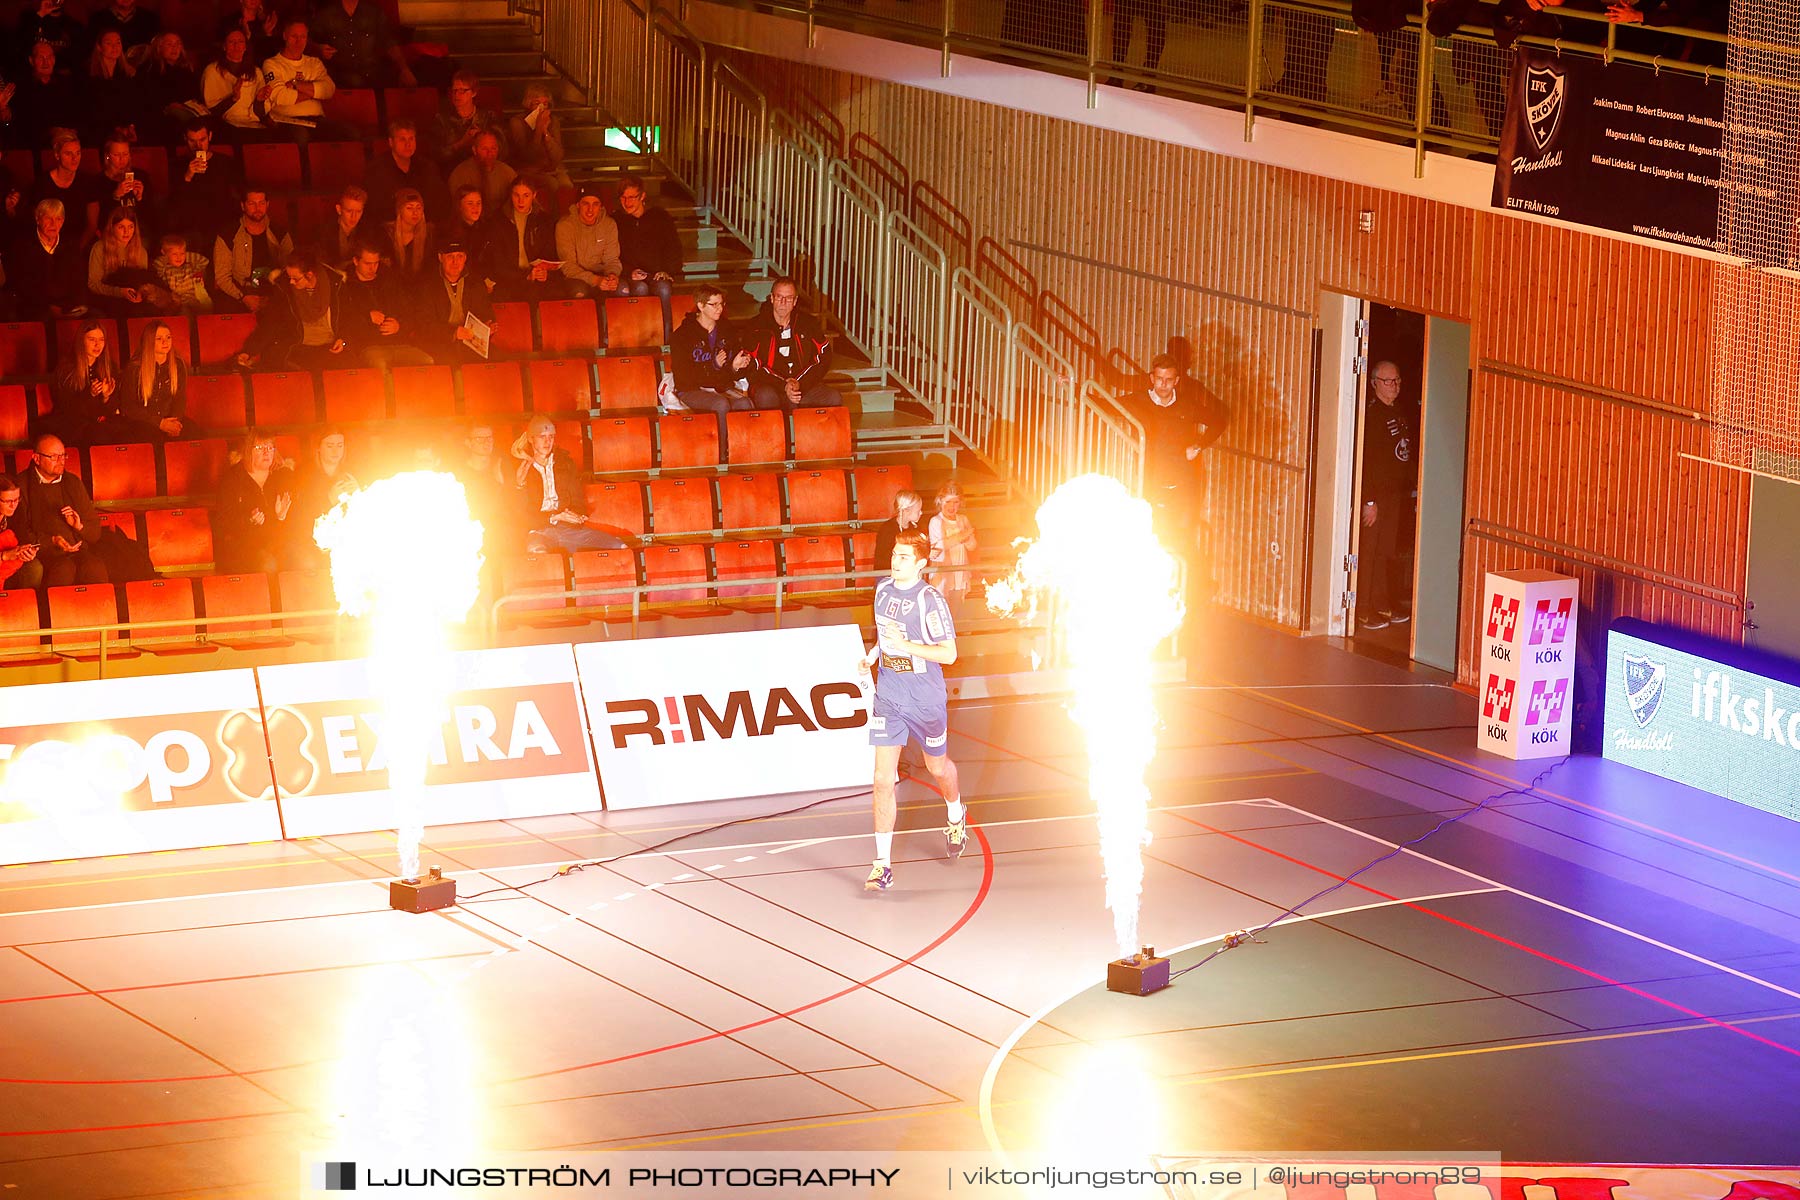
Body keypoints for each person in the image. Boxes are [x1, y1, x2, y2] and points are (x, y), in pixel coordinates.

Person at [857, 530, 965, 892]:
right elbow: (882, 634)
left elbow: (948, 654)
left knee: (937, 767)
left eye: (904, 556)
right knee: (881, 780)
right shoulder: (883, 590)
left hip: (925, 698)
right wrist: (873, 655)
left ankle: (955, 813)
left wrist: (910, 646)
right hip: (889, 694)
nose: (895, 560)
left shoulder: (930, 600)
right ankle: (882, 865)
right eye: (894, 553)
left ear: (920, 563)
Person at [1124, 352, 1228, 562]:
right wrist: (1073, 385)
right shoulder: (1139, 401)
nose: (1163, 385)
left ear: (1176, 381)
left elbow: (1219, 420)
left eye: (1169, 380)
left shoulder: (1187, 405)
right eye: (1159, 379)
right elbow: (1104, 402)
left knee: (1181, 540)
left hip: (1182, 486)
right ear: (1152, 378)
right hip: (1151, 484)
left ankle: (1181, 589)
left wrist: (1199, 445)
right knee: (1151, 537)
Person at [1357, 359, 1417, 631]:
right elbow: (1368, 460)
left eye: (1397, 381)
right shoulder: (1373, 415)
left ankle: (1381, 602)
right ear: (1374, 384)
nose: (1394, 386)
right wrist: (1369, 501)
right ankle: (1363, 608)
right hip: (1376, 497)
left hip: (1394, 495)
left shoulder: (1399, 412)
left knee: (1385, 552)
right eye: (1388, 381)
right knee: (1369, 552)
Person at [510, 415, 625, 555]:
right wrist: (519, 485)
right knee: (537, 552)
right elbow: (519, 514)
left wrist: (577, 515)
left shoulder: (565, 463)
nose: (548, 442)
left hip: (569, 529)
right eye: (542, 437)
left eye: (551, 437)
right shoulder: (520, 468)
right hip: (539, 531)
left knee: (619, 546)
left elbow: (578, 500)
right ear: (530, 439)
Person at [234, 249, 348, 370]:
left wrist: (344, 339)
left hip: (331, 347)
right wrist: (249, 351)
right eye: (289, 277)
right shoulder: (284, 289)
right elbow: (271, 322)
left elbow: (349, 316)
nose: (291, 282)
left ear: (309, 275)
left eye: (295, 278)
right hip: (298, 347)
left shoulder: (335, 285)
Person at [17, 434, 107, 586]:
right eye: (53, 457)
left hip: (77, 549)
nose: (60, 461)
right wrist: (52, 541)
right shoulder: (22, 485)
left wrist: (79, 526)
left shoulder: (73, 482)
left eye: (63, 455)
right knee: (64, 570)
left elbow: (95, 532)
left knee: (94, 568)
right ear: (36, 458)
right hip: (43, 552)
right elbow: (21, 533)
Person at [670, 284, 754, 443]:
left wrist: (735, 366)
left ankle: (742, 450)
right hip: (690, 390)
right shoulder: (682, 335)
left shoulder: (727, 329)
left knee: (744, 402)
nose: (719, 309)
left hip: (720, 386)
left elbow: (731, 373)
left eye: (721, 303)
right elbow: (683, 377)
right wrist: (713, 365)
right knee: (721, 404)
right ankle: (721, 454)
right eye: (714, 304)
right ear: (700, 306)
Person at [742, 277, 838, 410]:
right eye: (779, 297)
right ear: (771, 298)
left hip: (801, 385)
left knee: (833, 397)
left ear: (795, 301)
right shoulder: (756, 326)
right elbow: (751, 366)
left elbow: (824, 356)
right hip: (769, 386)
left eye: (788, 298)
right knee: (767, 396)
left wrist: (799, 384)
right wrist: (784, 385)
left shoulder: (807, 324)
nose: (783, 302)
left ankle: (808, 431)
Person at [213, 428, 296, 574]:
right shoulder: (232, 480)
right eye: (260, 448)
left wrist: (280, 517)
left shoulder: (283, 477)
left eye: (270, 447)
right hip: (244, 545)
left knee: (301, 561)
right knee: (268, 565)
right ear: (248, 450)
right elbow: (223, 522)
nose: (266, 452)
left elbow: (297, 521)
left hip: (277, 542)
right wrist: (249, 520)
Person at [338, 242, 433, 366]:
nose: (373, 268)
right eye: (367, 264)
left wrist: (399, 326)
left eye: (376, 263)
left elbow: (410, 312)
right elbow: (344, 321)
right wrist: (368, 317)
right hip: (369, 346)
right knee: (380, 365)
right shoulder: (346, 285)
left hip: (400, 344)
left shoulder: (390, 281)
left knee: (427, 362)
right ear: (356, 261)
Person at [166, 121, 246, 248]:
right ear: (185, 139)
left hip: (220, 220)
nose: (198, 145)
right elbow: (174, 200)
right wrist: (187, 175)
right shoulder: (178, 164)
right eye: (192, 141)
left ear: (210, 136)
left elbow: (238, 193)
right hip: (191, 222)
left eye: (202, 139)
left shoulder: (225, 162)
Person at [415, 240, 498, 361]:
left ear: (465, 258)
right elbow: (424, 324)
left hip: (471, 343)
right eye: (450, 257)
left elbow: (486, 313)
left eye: (459, 256)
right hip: (440, 343)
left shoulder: (475, 283)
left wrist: (486, 329)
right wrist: (453, 333)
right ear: (440, 257)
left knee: (498, 359)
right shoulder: (427, 285)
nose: (455, 262)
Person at [212, 188, 292, 313]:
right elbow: (222, 277)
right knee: (224, 308)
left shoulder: (279, 232)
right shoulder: (228, 235)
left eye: (261, 203)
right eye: (252, 203)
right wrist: (243, 297)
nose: (257, 208)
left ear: (267, 205)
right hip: (241, 291)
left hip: (273, 291)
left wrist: (273, 295)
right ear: (243, 206)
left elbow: (291, 265)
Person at [8, 198, 89, 320]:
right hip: (35, 307)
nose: (53, 224)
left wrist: (76, 305)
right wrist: (48, 307)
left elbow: (78, 281)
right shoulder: (23, 246)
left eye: (58, 219)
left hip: (65, 306)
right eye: (48, 218)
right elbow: (21, 286)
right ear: (37, 219)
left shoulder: (71, 246)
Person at [287, 426, 358, 564]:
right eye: (330, 446)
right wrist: (328, 500)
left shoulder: (351, 472)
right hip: (310, 540)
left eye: (340, 445)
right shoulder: (304, 475)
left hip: (344, 536)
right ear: (318, 447)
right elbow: (300, 518)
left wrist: (359, 493)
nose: (336, 451)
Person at [309, 0, 416, 89]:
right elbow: (308, 40)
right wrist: (319, 49)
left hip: (371, 77)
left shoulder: (374, 12)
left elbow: (389, 42)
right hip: (338, 79)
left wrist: (404, 68)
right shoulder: (326, 13)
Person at [50, 319, 120, 445]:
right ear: (82, 341)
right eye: (92, 339)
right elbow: (66, 407)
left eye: (101, 340)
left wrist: (106, 397)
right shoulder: (67, 368)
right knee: (98, 435)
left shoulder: (109, 367)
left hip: (99, 424)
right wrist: (90, 394)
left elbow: (113, 408)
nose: (97, 345)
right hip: (73, 426)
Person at [489, 177, 561, 301]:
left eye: (526, 195)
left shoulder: (543, 220)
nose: (520, 201)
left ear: (534, 195)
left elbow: (549, 252)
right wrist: (526, 275)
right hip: (509, 278)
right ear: (511, 195)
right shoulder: (499, 220)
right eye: (516, 195)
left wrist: (544, 272)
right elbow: (498, 261)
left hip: (535, 277)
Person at [613, 174, 682, 300]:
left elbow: (673, 247)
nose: (627, 202)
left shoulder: (660, 217)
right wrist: (629, 272)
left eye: (632, 197)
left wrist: (667, 271)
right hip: (630, 275)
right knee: (640, 288)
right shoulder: (616, 220)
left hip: (655, 275)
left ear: (642, 196)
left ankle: (666, 321)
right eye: (623, 197)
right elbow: (612, 254)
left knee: (664, 288)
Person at [87, 208, 168, 317]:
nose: (127, 232)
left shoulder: (140, 251)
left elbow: (143, 280)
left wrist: (140, 293)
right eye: (121, 227)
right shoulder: (100, 248)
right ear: (112, 228)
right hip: (109, 298)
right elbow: (93, 284)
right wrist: (120, 292)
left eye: (130, 227)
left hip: (133, 299)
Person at [118, 320, 191, 439]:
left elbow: (180, 399)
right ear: (149, 341)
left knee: (196, 434)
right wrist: (159, 423)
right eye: (159, 338)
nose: (165, 342)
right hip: (143, 422)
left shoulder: (178, 365)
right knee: (151, 438)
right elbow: (129, 406)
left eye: (168, 337)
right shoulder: (135, 368)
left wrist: (174, 423)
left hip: (169, 419)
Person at [365, 118, 449, 222]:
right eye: (402, 139)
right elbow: (375, 207)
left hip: (423, 225)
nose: (408, 144)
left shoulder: (427, 166)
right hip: (390, 227)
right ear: (391, 142)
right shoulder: (376, 169)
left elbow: (437, 201)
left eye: (411, 139)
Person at [27, 131, 101, 245]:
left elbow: (92, 225)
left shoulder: (87, 182)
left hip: (79, 243)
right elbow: (36, 221)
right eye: (68, 154)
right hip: (49, 243)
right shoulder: (42, 184)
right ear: (57, 155)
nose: (74, 158)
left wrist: (78, 248)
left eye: (78, 153)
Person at [260, 19, 335, 129]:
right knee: (302, 136)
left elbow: (329, 89)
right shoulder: (271, 64)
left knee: (348, 133)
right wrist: (314, 93)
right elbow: (281, 96)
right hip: (286, 120)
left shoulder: (314, 63)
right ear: (285, 36)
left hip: (317, 119)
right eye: (294, 36)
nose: (298, 41)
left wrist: (296, 84)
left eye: (303, 37)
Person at [6, 41, 82, 150]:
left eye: (49, 57)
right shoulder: (21, 86)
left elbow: (76, 111)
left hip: (67, 140)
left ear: (54, 59)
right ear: (31, 61)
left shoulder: (66, 83)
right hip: (34, 144)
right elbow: (22, 120)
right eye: (41, 58)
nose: (46, 62)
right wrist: (50, 131)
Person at [554, 181, 622, 298]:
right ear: (578, 205)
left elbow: (612, 259)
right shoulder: (565, 225)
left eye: (595, 204)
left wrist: (612, 275)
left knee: (622, 289)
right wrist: (595, 280)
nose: (590, 210)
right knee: (579, 291)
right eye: (586, 204)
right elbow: (568, 266)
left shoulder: (609, 224)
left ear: (601, 206)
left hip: (602, 275)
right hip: (576, 277)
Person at [504, 83, 570, 193]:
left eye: (545, 104)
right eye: (537, 104)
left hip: (551, 169)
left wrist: (546, 133)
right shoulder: (517, 123)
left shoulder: (553, 121)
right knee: (552, 184)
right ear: (529, 104)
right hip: (527, 170)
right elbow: (528, 157)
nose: (541, 108)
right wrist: (538, 130)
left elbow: (558, 156)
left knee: (566, 186)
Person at [432, 69, 505, 168]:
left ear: (474, 93)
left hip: (486, 167)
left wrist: (482, 136)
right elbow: (437, 155)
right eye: (454, 90)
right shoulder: (442, 119)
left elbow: (503, 149)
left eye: (462, 90)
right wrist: (461, 144)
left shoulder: (488, 117)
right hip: (454, 169)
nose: (457, 95)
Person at [201, 29, 265, 136]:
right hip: (226, 125)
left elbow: (261, 113)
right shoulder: (212, 71)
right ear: (224, 46)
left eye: (240, 41)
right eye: (231, 42)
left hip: (253, 124)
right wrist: (233, 98)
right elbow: (210, 111)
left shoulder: (256, 72)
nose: (236, 45)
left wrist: (259, 101)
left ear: (245, 46)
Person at [84, 30, 141, 145]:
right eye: (109, 43)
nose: (114, 47)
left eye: (118, 43)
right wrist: (115, 128)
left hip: (123, 126)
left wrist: (130, 126)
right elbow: (91, 106)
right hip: (98, 126)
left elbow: (132, 103)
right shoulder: (88, 73)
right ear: (99, 47)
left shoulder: (128, 74)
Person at [140, 32, 199, 143]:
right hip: (160, 113)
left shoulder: (186, 69)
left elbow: (194, 94)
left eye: (177, 44)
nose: (174, 48)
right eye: (169, 44)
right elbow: (147, 96)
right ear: (159, 47)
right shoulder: (149, 69)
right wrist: (168, 105)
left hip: (187, 109)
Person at [440, 184, 499, 288]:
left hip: (484, 278)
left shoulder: (485, 228)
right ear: (460, 206)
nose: (475, 208)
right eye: (470, 203)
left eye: (478, 203)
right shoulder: (450, 232)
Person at [927, 481, 978, 603]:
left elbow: (972, 546)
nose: (952, 506)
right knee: (941, 609)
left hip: (960, 571)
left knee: (957, 612)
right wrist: (961, 536)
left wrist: (967, 539)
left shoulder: (963, 519)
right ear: (940, 502)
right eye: (948, 502)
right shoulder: (936, 521)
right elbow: (939, 547)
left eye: (955, 502)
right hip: (942, 574)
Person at [445, 130, 515, 215]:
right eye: (484, 149)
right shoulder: (460, 175)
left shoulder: (508, 173)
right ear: (474, 150)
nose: (490, 153)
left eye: (493, 148)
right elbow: (457, 211)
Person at [308, 185, 367, 276]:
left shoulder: (367, 231)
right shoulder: (323, 232)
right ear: (339, 209)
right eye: (349, 211)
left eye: (358, 211)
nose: (354, 217)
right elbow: (321, 264)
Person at [0, 479, 45, 592]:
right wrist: (4, 556)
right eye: (8, 501)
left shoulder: (17, 510)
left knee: (34, 568)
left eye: (16, 499)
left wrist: (27, 552)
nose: (13, 505)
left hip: (7, 568)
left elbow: (23, 539)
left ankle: (24, 607)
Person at [382, 187, 435, 282]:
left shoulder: (429, 234)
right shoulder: (386, 234)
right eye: (409, 208)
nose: (415, 212)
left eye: (419, 208)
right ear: (399, 211)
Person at [152, 233, 213, 313]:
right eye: (174, 254)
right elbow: (157, 263)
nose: (179, 257)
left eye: (182, 253)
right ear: (164, 253)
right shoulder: (165, 269)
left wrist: (183, 253)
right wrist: (167, 255)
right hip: (178, 302)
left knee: (207, 309)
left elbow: (204, 261)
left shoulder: (190, 266)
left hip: (195, 299)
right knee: (184, 313)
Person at [871, 489, 922, 580]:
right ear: (906, 510)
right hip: (887, 575)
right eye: (918, 510)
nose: (921, 513)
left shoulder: (915, 529)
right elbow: (884, 558)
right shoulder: (887, 529)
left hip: (906, 573)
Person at [98, 137, 149, 225]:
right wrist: (116, 196)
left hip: (138, 232)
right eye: (117, 155)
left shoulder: (141, 176)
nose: (122, 159)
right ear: (107, 156)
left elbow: (150, 216)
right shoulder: (99, 181)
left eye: (125, 154)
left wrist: (140, 198)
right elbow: (101, 219)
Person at [217, 0, 282, 65]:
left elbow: (270, 54)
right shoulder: (230, 21)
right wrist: (246, 36)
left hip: (259, 68)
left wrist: (267, 35)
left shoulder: (265, 22)